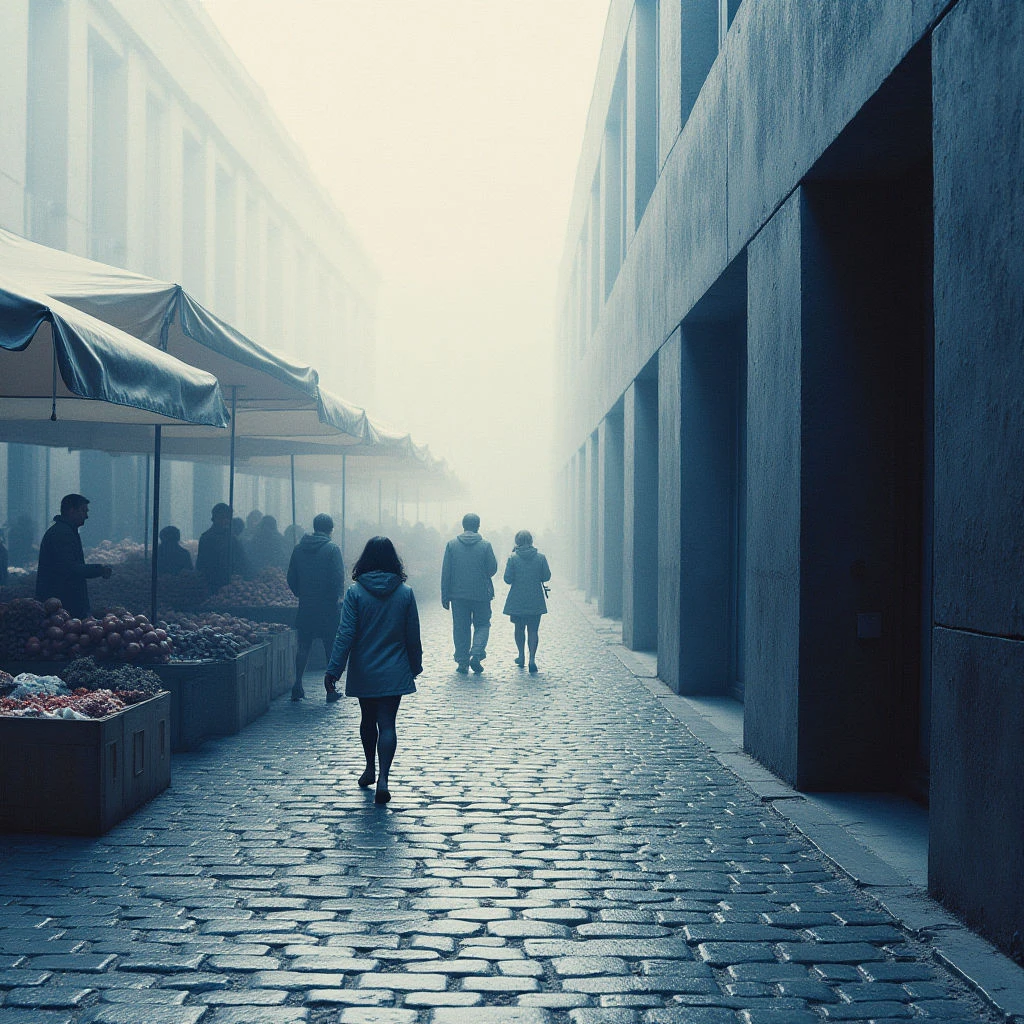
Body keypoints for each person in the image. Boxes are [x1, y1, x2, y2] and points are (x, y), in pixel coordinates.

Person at [325, 536, 422, 805]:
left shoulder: (355, 593)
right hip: (395, 667)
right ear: (394, 560)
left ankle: (369, 767)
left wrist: (334, 669)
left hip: (365, 668)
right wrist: (415, 665)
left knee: (368, 721)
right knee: (388, 723)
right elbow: (412, 635)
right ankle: (384, 779)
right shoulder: (405, 593)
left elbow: (345, 634)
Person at [286, 513, 346, 701]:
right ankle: (330, 689)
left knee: (303, 645)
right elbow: (338, 577)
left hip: (306, 605)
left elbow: (291, 577)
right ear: (331, 529)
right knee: (330, 647)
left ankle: (297, 685)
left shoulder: (298, 549)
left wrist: (301, 593)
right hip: (327, 606)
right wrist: (335, 597)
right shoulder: (332, 549)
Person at [35, 493, 112, 617]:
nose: (86, 516)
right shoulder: (62, 534)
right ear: (71, 510)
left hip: (62, 603)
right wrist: (99, 569)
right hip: (62, 604)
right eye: (83, 511)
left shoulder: (65, 531)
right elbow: (71, 568)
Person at [440, 512, 497, 674]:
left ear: (463, 525)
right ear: (478, 526)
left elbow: (446, 572)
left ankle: (462, 661)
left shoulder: (451, 545)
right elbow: (492, 569)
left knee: (460, 628)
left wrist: (445, 595)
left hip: (457, 595)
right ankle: (477, 652)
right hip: (481, 594)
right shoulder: (485, 545)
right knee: (482, 624)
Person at [503, 530, 552, 674]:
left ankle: (521, 655)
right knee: (533, 630)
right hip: (535, 598)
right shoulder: (541, 558)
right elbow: (546, 576)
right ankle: (532, 659)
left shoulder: (513, 558)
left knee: (519, 629)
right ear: (531, 541)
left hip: (517, 599)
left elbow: (508, 579)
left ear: (517, 541)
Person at [196, 503, 248, 588]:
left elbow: (242, 559)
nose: (225, 521)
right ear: (214, 518)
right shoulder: (207, 538)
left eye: (227, 518)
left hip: (232, 583)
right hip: (213, 582)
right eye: (222, 518)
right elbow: (202, 564)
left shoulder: (232, 538)